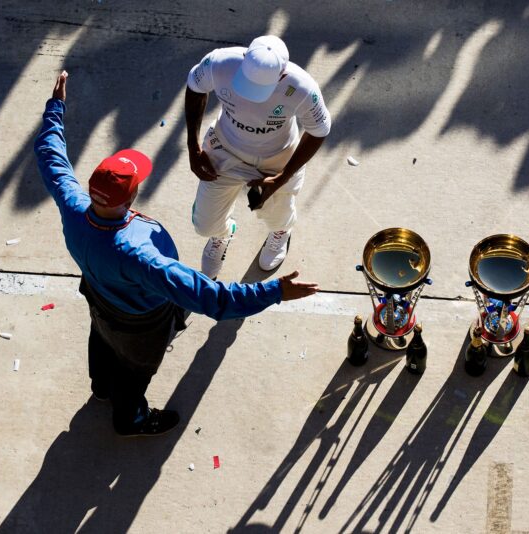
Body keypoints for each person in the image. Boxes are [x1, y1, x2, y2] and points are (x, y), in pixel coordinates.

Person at [35, 71, 319, 437]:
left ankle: (101, 388)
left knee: (102, 341)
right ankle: (130, 418)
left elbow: (50, 155)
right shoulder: (141, 258)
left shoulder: (75, 207)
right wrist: (275, 291)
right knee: (134, 370)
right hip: (141, 325)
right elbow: (215, 299)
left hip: (97, 296)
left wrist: (55, 107)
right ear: (130, 198)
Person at [185, 35, 332, 279]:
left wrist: (282, 177)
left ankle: (280, 233)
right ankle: (222, 234)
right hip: (224, 149)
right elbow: (195, 87)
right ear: (244, 59)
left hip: (277, 160)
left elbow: (319, 131)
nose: (252, 95)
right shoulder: (218, 63)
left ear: (283, 75)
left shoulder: (303, 88)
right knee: (204, 225)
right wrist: (193, 146)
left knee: (277, 219)